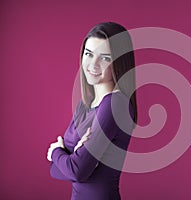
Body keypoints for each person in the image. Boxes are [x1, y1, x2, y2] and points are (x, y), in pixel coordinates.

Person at [47, 22, 138, 200]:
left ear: (119, 62)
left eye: (105, 58)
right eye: (89, 54)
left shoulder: (115, 104)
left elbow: (77, 171)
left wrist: (57, 152)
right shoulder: (84, 105)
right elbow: (56, 171)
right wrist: (73, 159)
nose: (93, 64)